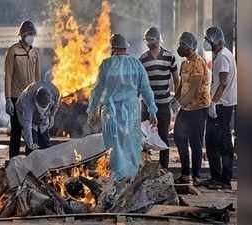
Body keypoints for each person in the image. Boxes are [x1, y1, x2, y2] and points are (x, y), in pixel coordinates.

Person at [87, 33, 158, 182]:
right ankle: (130, 179)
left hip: (110, 114)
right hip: (132, 112)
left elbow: (97, 90)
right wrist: (152, 111)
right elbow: (146, 89)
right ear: (126, 47)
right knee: (131, 145)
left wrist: (92, 111)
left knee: (114, 147)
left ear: (112, 48)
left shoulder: (106, 64)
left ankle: (117, 179)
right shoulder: (136, 64)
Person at [202, 26, 237, 190]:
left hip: (221, 105)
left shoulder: (222, 57)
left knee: (214, 142)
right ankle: (223, 178)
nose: (206, 43)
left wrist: (213, 103)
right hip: (226, 104)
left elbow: (222, 83)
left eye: (207, 40)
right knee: (223, 141)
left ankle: (220, 178)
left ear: (215, 41)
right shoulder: (226, 54)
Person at [174, 32, 211, 186]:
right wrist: (174, 100)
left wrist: (179, 104)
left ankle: (195, 176)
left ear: (190, 47)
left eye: (183, 45)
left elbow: (194, 89)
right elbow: (182, 86)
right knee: (178, 136)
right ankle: (185, 174)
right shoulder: (184, 63)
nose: (180, 47)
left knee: (195, 142)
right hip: (185, 107)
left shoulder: (198, 62)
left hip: (198, 108)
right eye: (180, 44)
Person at [139, 26, 179, 169]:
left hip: (163, 105)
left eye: (152, 39)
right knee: (144, 138)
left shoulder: (170, 57)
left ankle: (164, 169)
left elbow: (176, 79)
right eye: (148, 40)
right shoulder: (142, 59)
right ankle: (143, 168)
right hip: (147, 104)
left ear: (158, 40)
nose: (150, 42)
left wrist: (176, 98)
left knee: (163, 138)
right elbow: (140, 83)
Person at [5, 20, 41, 158]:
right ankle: (13, 163)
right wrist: (8, 99)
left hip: (31, 99)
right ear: (22, 35)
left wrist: (38, 98)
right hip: (16, 97)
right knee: (16, 132)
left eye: (33, 34)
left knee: (30, 131)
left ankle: (29, 164)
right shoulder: (13, 51)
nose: (31, 37)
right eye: (29, 34)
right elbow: (8, 75)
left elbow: (38, 78)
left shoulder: (36, 52)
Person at [15, 81, 60, 155]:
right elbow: (27, 124)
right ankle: (30, 161)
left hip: (45, 116)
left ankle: (46, 162)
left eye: (44, 106)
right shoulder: (28, 102)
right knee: (33, 140)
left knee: (45, 141)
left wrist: (52, 116)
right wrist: (30, 143)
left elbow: (56, 106)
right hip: (23, 111)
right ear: (36, 101)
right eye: (41, 106)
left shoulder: (55, 93)